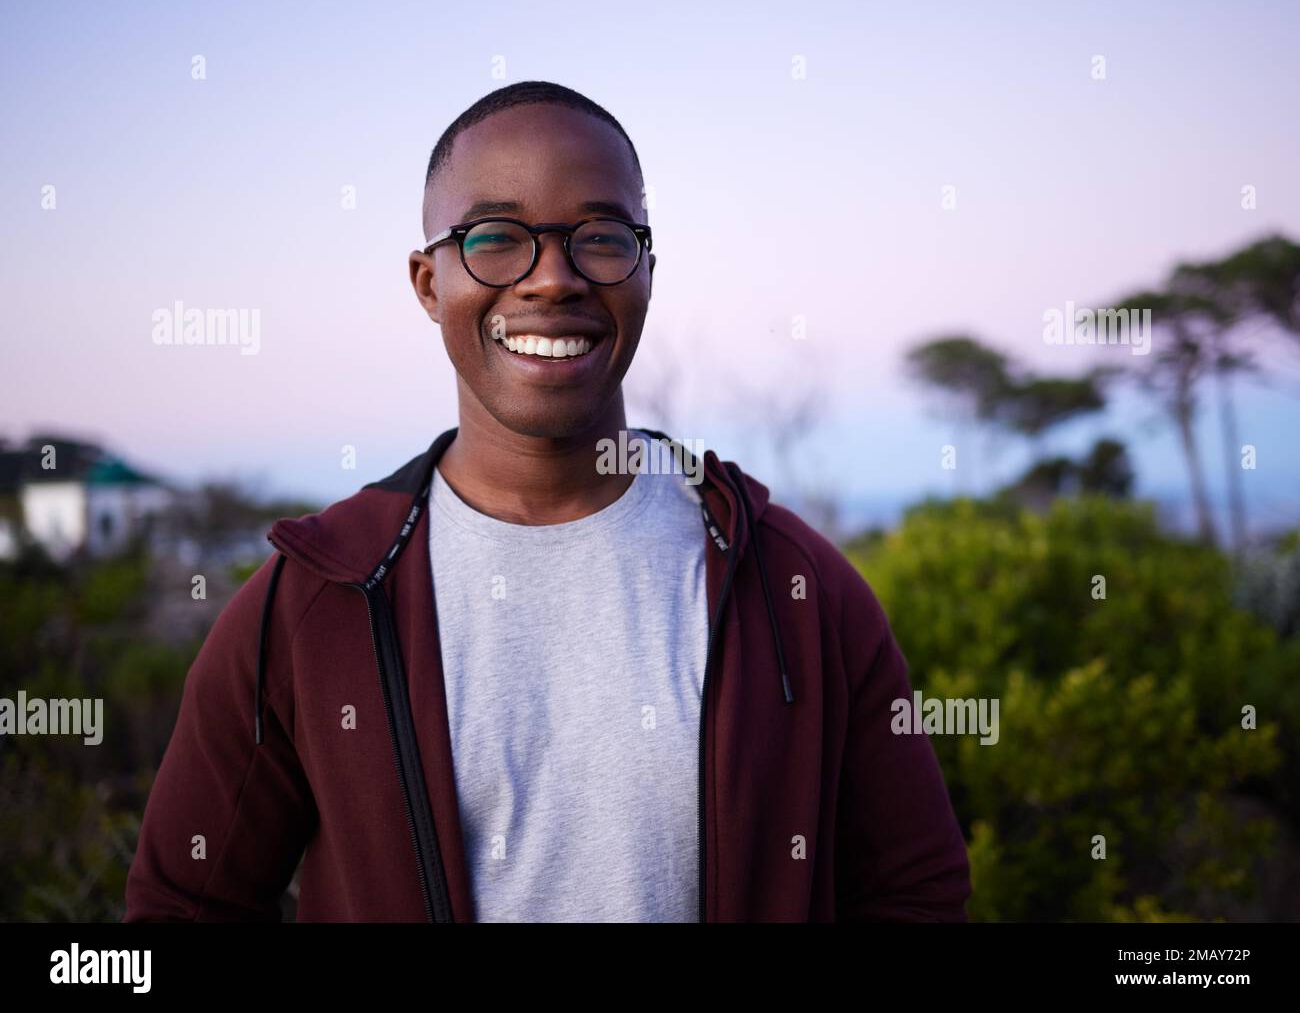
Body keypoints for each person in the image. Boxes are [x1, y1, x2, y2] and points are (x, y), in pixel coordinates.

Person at [124, 80, 971, 922]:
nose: (553, 279)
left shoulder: (795, 585)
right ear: (428, 283)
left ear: (646, 269)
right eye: (496, 237)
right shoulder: (317, 599)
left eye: (599, 238)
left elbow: (913, 894)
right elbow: (183, 906)